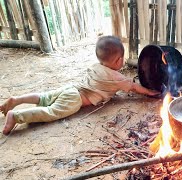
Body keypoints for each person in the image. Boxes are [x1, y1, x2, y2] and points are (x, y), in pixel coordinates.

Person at [0, 36, 159, 135]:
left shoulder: (96, 67)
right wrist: (150, 92)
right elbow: (134, 87)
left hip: (71, 88)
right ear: (118, 61)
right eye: (122, 58)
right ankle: (16, 116)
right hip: (76, 98)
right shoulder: (117, 77)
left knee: (45, 97)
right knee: (51, 112)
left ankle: (18, 99)